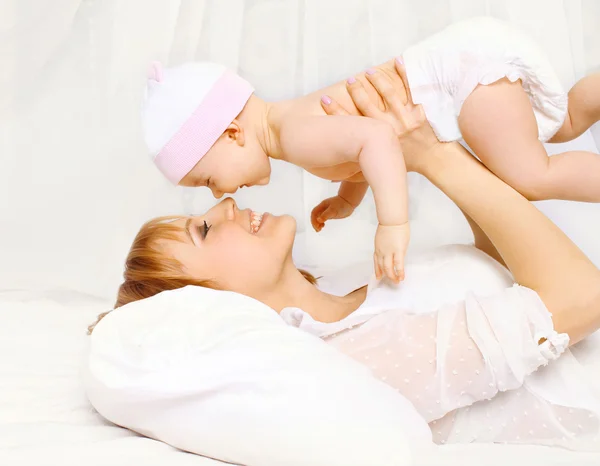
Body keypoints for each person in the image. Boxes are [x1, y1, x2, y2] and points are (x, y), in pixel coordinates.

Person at [95, 62, 600, 450]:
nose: (223, 203)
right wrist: (432, 156)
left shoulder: (352, 287)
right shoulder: (361, 356)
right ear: (212, 303)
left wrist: (437, 141)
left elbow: (505, 274)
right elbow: (580, 299)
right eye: (202, 230)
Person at [141, 16, 600, 282]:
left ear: (232, 133)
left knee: (531, 176)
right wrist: (345, 198)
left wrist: (392, 223)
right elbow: (361, 147)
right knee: (562, 125)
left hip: (459, 75)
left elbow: (379, 139)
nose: (219, 193)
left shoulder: (295, 135)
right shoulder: (291, 130)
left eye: (205, 178)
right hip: (464, 61)